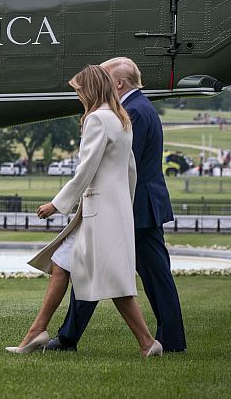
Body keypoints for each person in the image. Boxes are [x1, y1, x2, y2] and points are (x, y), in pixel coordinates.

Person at [7, 64, 161, 357]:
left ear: (89, 90)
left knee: (115, 283)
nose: (78, 96)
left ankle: (147, 342)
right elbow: (131, 171)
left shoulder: (98, 119)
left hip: (98, 212)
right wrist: (123, 207)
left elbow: (85, 169)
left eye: (79, 90)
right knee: (63, 265)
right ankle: (36, 332)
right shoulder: (120, 118)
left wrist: (57, 204)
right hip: (110, 210)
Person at [45, 57, 187, 353]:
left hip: (129, 206)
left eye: (107, 79)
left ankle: (71, 337)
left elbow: (114, 166)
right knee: (143, 274)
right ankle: (167, 339)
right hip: (143, 203)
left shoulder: (127, 111)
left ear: (119, 83)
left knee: (101, 269)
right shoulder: (142, 107)